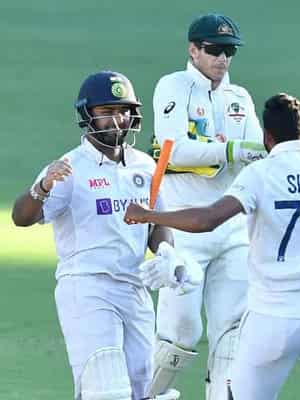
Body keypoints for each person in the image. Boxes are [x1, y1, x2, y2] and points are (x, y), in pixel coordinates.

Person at [124, 92, 300, 400]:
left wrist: (148, 215)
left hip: (274, 316)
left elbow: (208, 219)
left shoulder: (260, 175)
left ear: (267, 137)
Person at [11, 70, 202, 400]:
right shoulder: (69, 167)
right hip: (86, 286)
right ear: (88, 115)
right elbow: (21, 217)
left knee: (144, 390)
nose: (117, 120)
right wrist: (42, 187)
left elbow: (157, 224)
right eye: (107, 112)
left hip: (134, 289)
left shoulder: (144, 166)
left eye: (123, 111)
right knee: (106, 389)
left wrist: (167, 253)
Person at [149, 12, 267, 400]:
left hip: (232, 228)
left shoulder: (239, 97)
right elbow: (171, 149)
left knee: (233, 332)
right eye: (214, 49)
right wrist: (229, 150)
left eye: (229, 51)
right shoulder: (174, 87)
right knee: (180, 336)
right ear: (193, 49)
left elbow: (259, 155)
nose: (223, 59)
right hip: (184, 227)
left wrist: (247, 155)